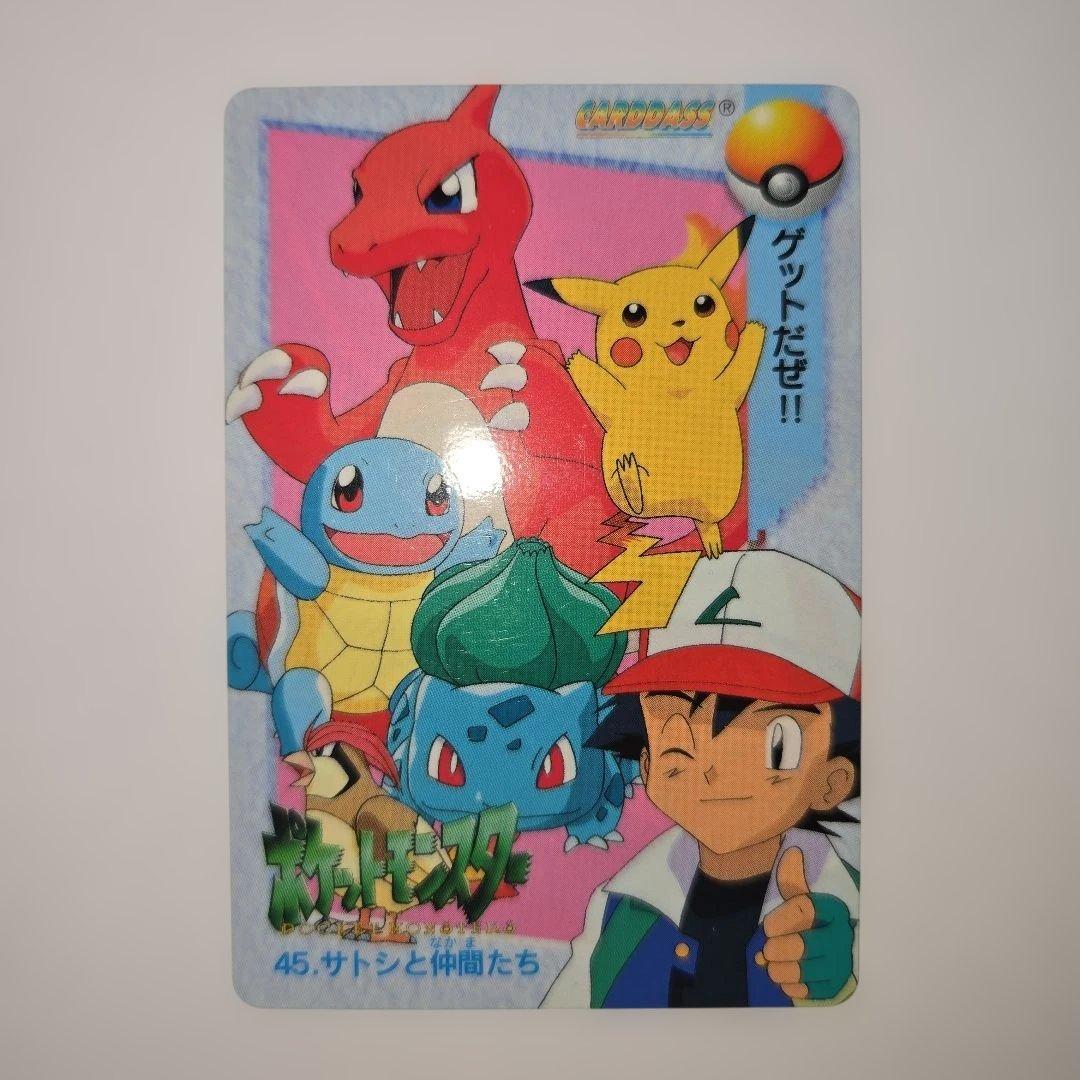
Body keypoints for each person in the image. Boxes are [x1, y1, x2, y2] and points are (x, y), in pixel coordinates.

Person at [543, 549, 861, 1007]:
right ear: (648, 762)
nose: (711, 767)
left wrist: (838, 983)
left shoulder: (848, 911)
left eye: (776, 743)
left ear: (832, 779)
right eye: (677, 734)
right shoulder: (620, 911)